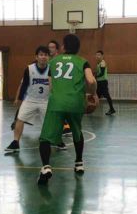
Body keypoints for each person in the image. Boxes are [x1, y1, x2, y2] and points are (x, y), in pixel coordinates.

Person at [38, 34, 98, 186]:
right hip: (75, 103)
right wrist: (93, 94)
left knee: (45, 138)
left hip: (56, 102)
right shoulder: (83, 62)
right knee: (77, 132)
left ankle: (46, 167)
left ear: (63, 47)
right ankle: (79, 163)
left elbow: (50, 85)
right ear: (78, 48)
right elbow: (91, 81)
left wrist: (57, 95)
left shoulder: (53, 62)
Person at [5, 46, 50, 153]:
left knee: (50, 122)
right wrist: (19, 99)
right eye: (41, 55)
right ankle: (15, 142)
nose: (43, 57)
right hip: (30, 99)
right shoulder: (29, 69)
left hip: (46, 100)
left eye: (46, 55)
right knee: (20, 119)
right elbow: (24, 85)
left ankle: (56, 140)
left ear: (48, 57)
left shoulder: (52, 69)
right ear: (36, 57)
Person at [95, 50, 116, 115]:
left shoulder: (102, 63)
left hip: (103, 82)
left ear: (102, 56)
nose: (97, 56)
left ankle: (112, 109)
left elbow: (101, 73)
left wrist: (94, 77)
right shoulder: (98, 63)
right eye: (96, 55)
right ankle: (91, 109)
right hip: (99, 82)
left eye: (99, 55)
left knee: (106, 95)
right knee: (96, 96)